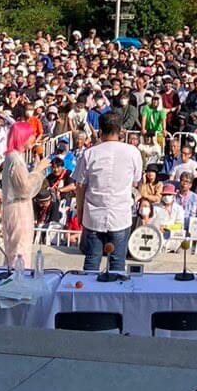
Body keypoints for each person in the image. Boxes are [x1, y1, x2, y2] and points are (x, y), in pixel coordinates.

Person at [72, 113, 142, 273]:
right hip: (119, 214)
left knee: (92, 262)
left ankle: (88, 296)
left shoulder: (90, 153)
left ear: (100, 131)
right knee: (117, 264)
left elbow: (80, 186)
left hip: (94, 214)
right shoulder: (133, 152)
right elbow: (136, 180)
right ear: (121, 131)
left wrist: (81, 211)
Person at [0, 141, 52, 269]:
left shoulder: (13, 157)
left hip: (17, 207)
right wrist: (39, 169)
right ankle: (17, 280)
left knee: (18, 249)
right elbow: (25, 189)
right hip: (19, 209)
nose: (33, 141)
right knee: (19, 250)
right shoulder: (15, 160)